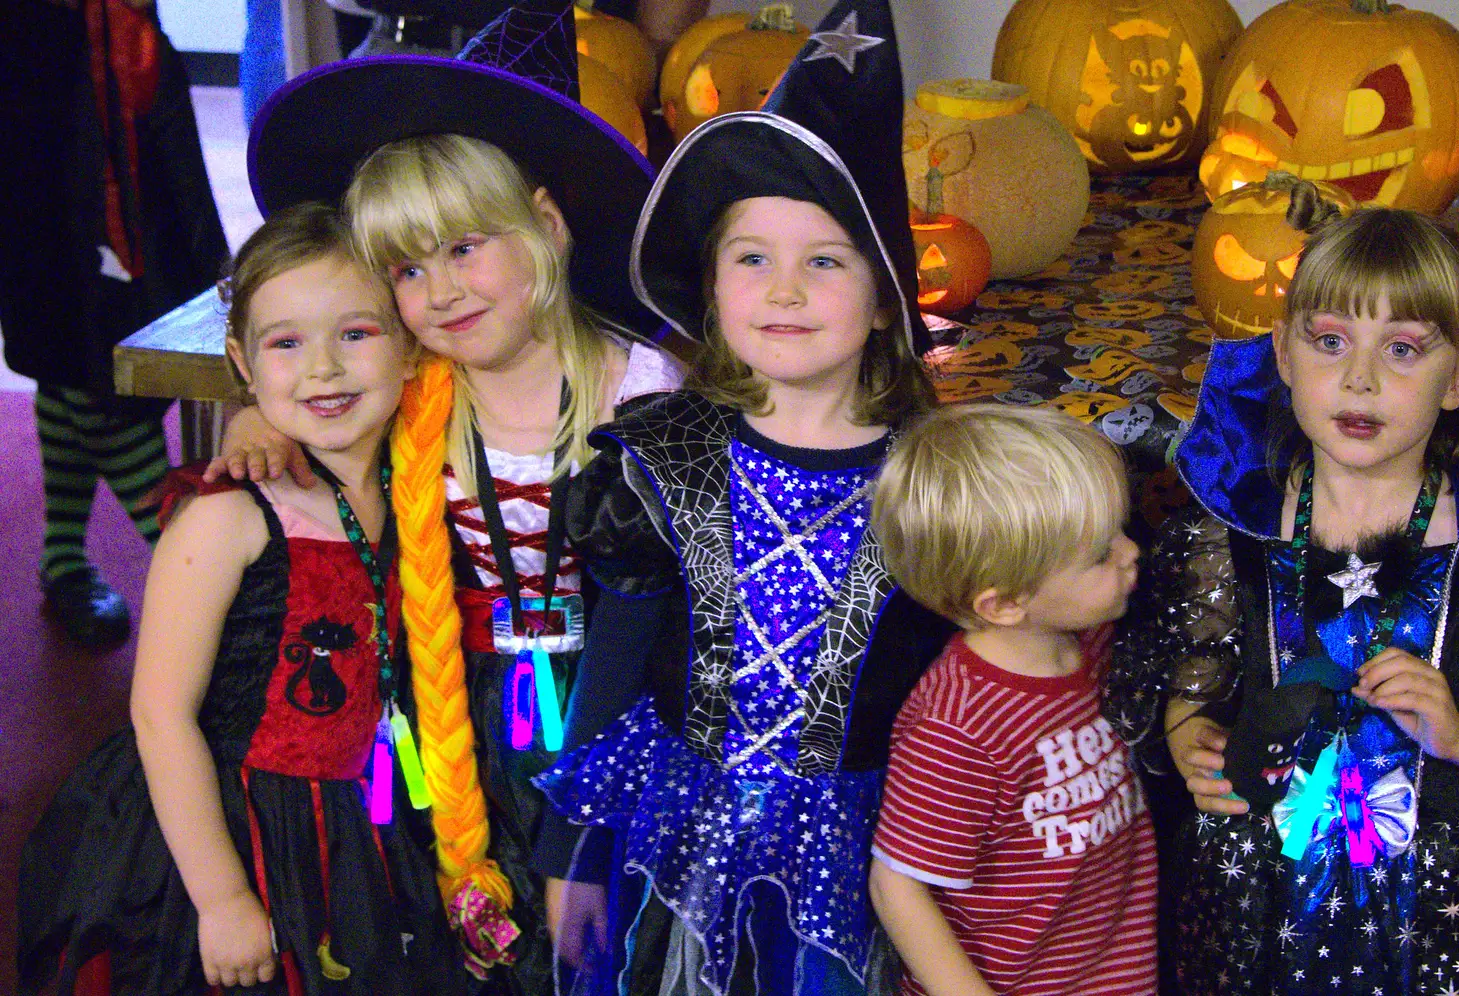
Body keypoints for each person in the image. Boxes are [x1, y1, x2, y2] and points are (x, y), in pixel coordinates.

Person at [210, 3, 685, 987]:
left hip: (617, 706)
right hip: (459, 709)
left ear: (545, 227)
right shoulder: (414, 388)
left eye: (467, 247)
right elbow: (317, 407)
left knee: (605, 936)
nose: (441, 292)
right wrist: (255, 419)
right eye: (407, 270)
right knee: (461, 920)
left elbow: (661, 609)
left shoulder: (636, 391)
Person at [530, 1, 955, 992]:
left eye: (824, 261)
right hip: (675, 835)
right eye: (751, 258)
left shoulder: (933, 475)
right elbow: (613, 670)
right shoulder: (659, 459)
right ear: (712, 288)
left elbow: (959, 683)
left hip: (860, 852)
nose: (785, 290)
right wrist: (568, 855)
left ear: (887, 289)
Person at [1104, 207, 1459, 996]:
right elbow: (1195, 678)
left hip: (1441, 905)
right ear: (1284, 355)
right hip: (1263, 888)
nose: (1360, 379)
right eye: (1330, 342)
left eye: (1402, 350)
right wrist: (1191, 740)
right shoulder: (1235, 525)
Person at [17, 202, 471, 996]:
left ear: (408, 347)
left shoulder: (424, 482)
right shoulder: (228, 516)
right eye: (285, 343)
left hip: (371, 818)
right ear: (241, 360)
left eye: (355, 334)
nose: (323, 368)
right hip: (232, 833)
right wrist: (223, 898)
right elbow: (159, 714)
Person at [865, 403, 1157, 996]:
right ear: (1003, 605)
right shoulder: (958, 727)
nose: (1131, 552)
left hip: (1109, 969)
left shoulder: (1090, 641)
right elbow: (896, 885)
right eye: (1102, 552)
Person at [0, 0, 228, 647]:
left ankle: (64, 559)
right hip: (35, 84)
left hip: (100, 55)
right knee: (87, 353)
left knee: (84, 347)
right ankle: (191, 564)